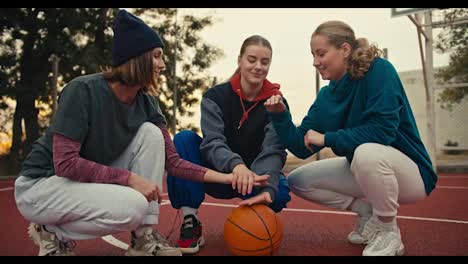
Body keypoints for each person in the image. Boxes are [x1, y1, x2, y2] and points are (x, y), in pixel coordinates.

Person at [13, 10, 269, 257]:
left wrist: (228, 177)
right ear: (138, 57)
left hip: (82, 182)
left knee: (151, 134)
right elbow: (65, 163)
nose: (162, 64)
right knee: (133, 207)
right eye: (157, 56)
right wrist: (130, 179)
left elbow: (174, 162)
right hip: (42, 186)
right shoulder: (82, 90)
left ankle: (143, 238)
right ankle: (48, 229)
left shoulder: (147, 104)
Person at [264, 21, 438, 256]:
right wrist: (280, 116)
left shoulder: (379, 70)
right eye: (313, 55)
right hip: (365, 166)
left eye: (321, 53)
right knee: (298, 180)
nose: (315, 61)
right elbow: (301, 146)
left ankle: (389, 232)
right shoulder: (326, 96)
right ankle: (369, 214)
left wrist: (327, 138)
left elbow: (381, 132)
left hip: (411, 173)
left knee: (367, 153)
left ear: (345, 50)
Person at [166, 35, 292, 254]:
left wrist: (265, 184)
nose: (258, 67)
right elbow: (212, 142)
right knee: (184, 139)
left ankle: (259, 217)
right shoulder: (215, 97)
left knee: (279, 193)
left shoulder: (277, 103)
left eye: (264, 62)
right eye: (251, 59)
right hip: (217, 174)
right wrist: (236, 166)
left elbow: (273, 150)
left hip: (252, 178)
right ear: (240, 60)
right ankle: (190, 219)